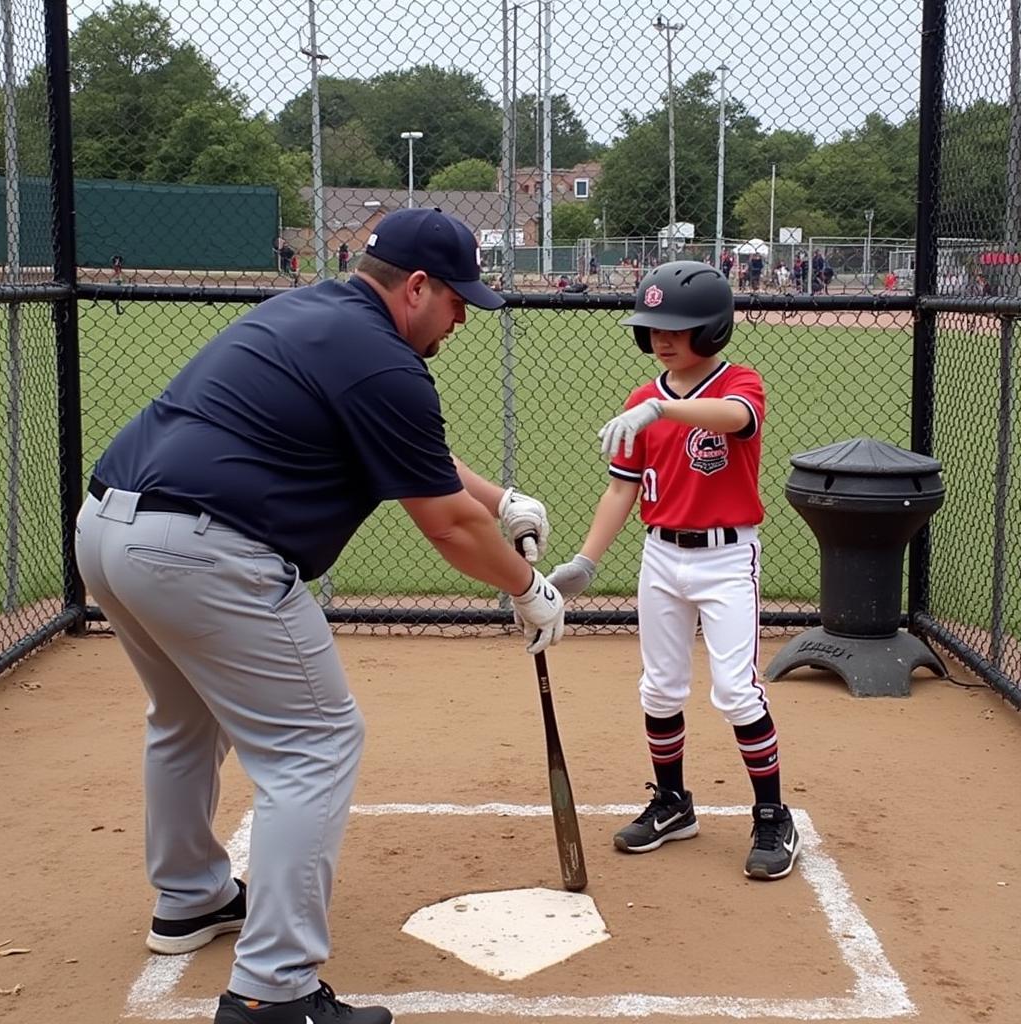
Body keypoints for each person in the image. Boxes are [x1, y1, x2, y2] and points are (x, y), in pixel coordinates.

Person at [74, 207, 566, 1024]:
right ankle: (275, 993)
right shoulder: (384, 363)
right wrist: (524, 586)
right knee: (315, 745)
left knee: (184, 720)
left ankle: (192, 897)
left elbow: (429, 469)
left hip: (109, 531)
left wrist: (501, 498)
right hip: (204, 553)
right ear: (416, 287)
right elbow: (443, 524)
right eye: (457, 303)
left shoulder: (304, 312)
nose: (461, 321)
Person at [546, 260, 801, 882]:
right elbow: (620, 491)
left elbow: (737, 418)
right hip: (660, 556)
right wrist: (586, 560)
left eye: (678, 327)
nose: (662, 338)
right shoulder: (642, 402)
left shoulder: (738, 381)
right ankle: (672, 804)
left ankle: (772, 814)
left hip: (726, 557)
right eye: (653, 326)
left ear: (712, 331)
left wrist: (663, 413)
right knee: (659, 688)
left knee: (737, 691)